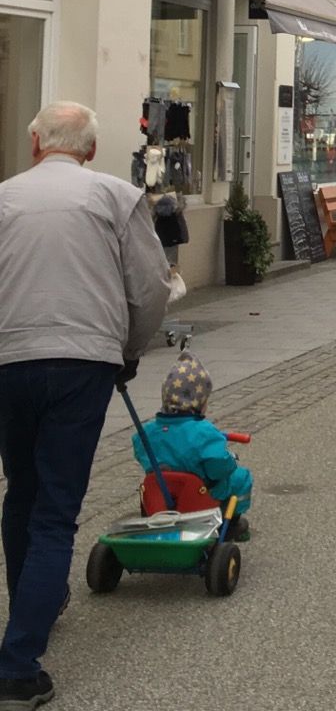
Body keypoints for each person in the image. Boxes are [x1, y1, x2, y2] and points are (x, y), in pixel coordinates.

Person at [0, 102, 171, 707]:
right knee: (54, 511)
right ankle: (18, 666)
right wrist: (129, 348)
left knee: (21, 490)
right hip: (82, 363)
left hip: (10, 361)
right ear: (92, 150)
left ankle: (32, 606)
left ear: (33, 143)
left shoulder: (4, 198)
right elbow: (150, 288)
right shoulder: (115, 197)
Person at [132, 350, 253, 534]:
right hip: (199, 498)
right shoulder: (204, 432)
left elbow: (141, 454)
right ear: (198, 402)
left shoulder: (147, 432)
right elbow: (218, 466)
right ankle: (231, 523)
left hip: (163, 494)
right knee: (241, 478)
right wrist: (230, 461)